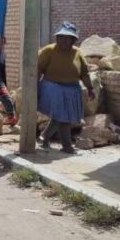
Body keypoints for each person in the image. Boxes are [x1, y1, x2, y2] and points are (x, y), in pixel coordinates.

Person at [37, 21, 94, 154]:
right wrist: (36, 88)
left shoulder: (78, 53)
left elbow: (84, 73)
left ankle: (45, 137)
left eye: (67, 38)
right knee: (63, 117)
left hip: (72, 89)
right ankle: (67, 146)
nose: (63, 40)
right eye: (61, 37)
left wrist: (90, 88)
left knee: (62, 117)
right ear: (57, 38)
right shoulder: (48, 51)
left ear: (73, 40)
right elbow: (38, 70)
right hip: (52, 87)